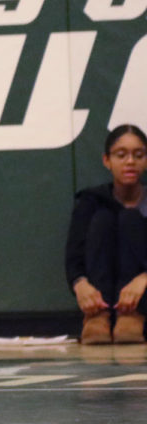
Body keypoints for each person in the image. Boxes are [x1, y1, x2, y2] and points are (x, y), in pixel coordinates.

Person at [65, 123, 147, 344]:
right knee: (104, 219)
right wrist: (80, 284)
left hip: (142, 297)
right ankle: (97, 317)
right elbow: (74, 254)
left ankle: (132, 315)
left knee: (130, 218)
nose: (130, 161)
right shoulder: (92, 201)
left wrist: (144, 279)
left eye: (138, 155)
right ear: (107, 160)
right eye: (121, 155)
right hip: (103, 295)